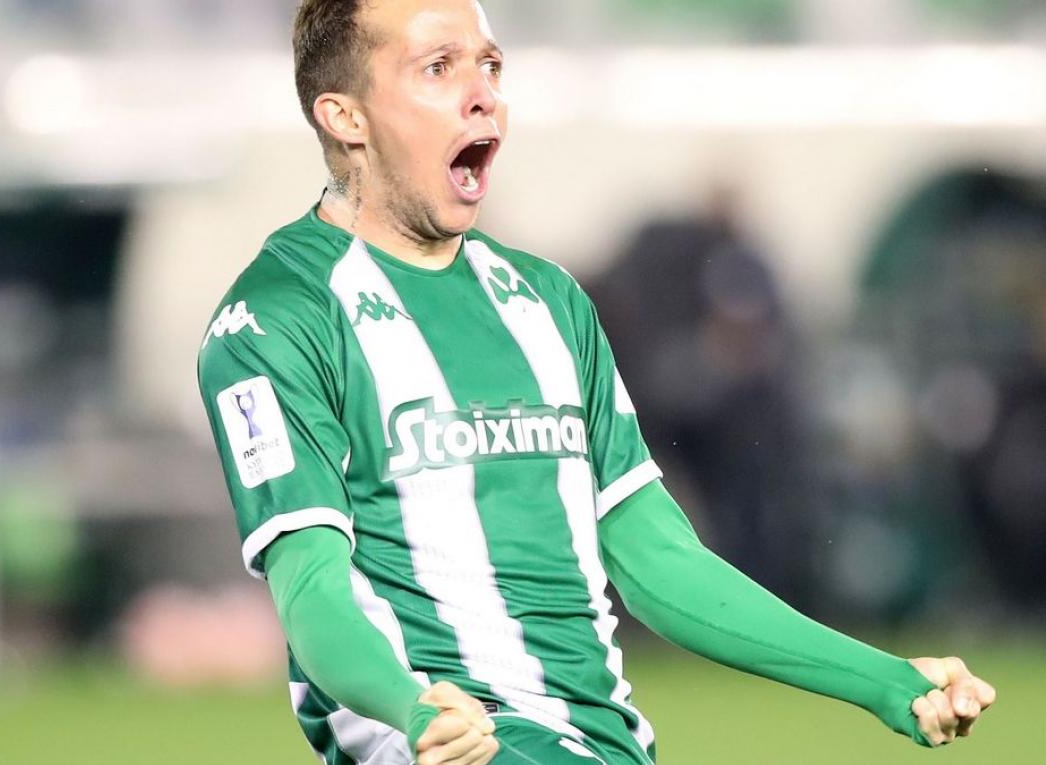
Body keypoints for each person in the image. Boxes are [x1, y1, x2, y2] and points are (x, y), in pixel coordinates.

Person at [196, 2, 996, 763]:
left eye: (490, 66)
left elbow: (655, 558)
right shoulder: (275, 319)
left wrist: (883, 679)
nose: (483, 95)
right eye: (438, 67)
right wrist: (412, 707)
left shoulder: (546, 301)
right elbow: (311, 591)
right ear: (346, 116)